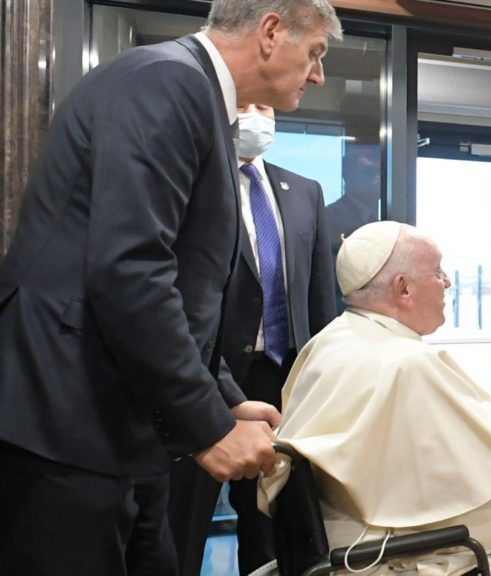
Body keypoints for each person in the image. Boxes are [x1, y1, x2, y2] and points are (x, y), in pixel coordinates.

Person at [0, 0, 342, 573]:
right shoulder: (168, 82)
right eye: (315, 53)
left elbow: (184, 296)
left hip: (123, 425)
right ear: (271, 32)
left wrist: (226, 397)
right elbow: (130, 270)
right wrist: (209, 427)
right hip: (65, 424)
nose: (318, 74)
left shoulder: (197, 97)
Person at [258, 221, 491, 576]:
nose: (448, 282)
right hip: (394, 559)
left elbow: (406, 478)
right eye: (438, 271)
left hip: (349, 545)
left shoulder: (330, 342)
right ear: (403, 288)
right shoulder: (405, 362)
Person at [167, 103, 338, 576]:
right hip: (209, 375)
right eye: (243, 105)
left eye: (265, 107)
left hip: (286, 380)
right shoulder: (199, 183)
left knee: (273, 523)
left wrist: (325, 373)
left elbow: (320, 293)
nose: (255, 115)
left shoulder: (305, 192)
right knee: (185, 514)